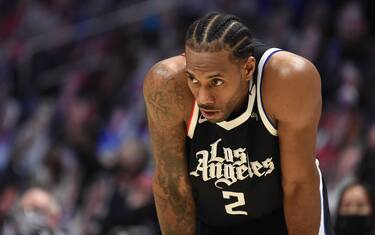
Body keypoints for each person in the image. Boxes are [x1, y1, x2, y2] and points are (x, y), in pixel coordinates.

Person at [143, 12, 333, 235]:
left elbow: (298, 184)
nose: (203, 97)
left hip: (281, 214)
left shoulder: (288, 79)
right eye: (193, 79)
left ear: (248, 69)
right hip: (211, 222)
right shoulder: (166, 85)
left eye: (216, 81)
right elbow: (173, 187)